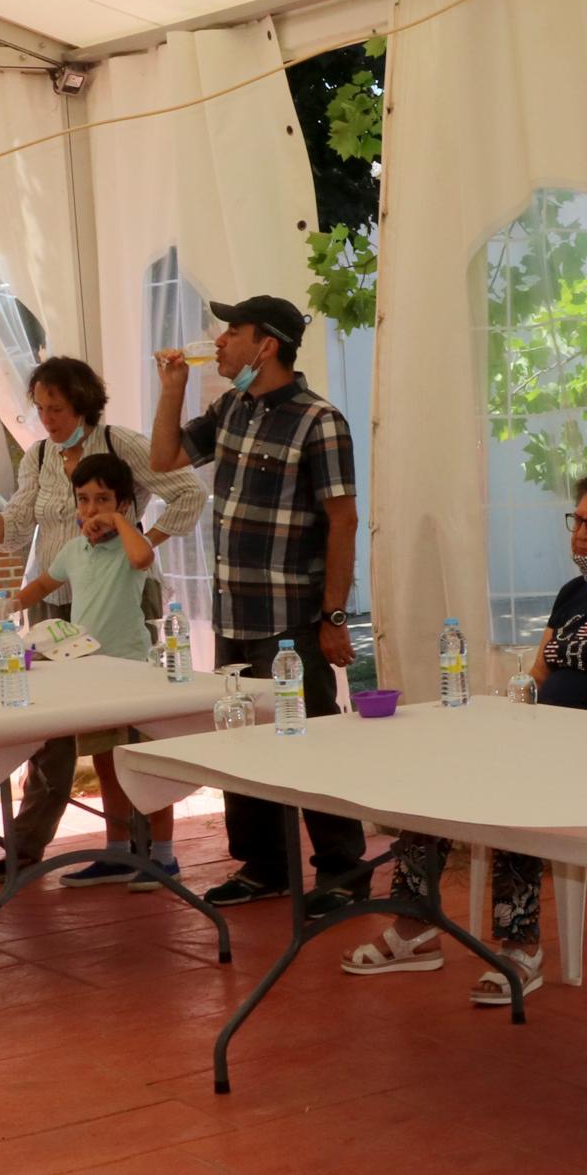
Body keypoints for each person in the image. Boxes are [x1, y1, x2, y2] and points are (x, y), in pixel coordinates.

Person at [345, 470, 587, 1005]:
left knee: (514, 792)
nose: (581, 536)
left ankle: (521, 947)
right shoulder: (574, 593)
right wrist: (511, 714)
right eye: (576, 521)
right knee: (432, 777)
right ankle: (416, 927)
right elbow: (539, 675)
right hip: (545, 740)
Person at [148, 295, 366, 915]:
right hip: (234, 614)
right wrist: (172, 390)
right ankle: (264, 865)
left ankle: (343, 872)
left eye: (232, 331)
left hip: (291, 618)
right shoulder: (232, 408)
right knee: (241, 737)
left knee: (310, 739)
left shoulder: (320, 421)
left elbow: (343, 521)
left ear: (266, 345)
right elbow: (164, 461)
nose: (219, 341)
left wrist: (333, 616)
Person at [0, 354, 203, 886]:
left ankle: (153, 851)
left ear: (83, 404)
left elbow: (189, 492)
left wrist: (139, 539)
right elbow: (14, 533)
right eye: (40, 408)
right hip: (61, 602)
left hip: (122, 601)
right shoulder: (38, 456)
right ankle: (43, 846)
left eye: (56, 408)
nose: (47, 419)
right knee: (56, 731)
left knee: (133, 737)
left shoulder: (121, 443)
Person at [0, 454, 176, 877]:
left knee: (146, 766)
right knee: (106, 766)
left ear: (123, 503)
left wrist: (119, 522)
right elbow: (42, 584)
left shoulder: (131, 545)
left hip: (132, 673)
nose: (92, 509)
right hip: (91, 673)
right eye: (84, 499)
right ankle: (116, 851)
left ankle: (164, 856)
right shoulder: (74, 550)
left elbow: (142, 559)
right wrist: (3, 612)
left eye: (103, 499)